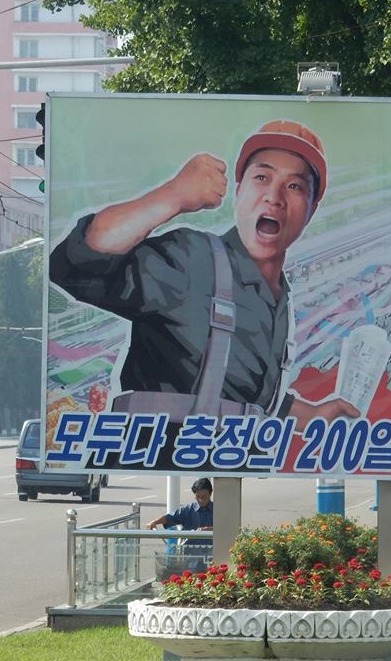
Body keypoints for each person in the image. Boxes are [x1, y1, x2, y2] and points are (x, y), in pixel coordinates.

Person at [49, 121, 358, 467]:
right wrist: (173, 195)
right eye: (262, 177)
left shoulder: (280, 296)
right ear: (239, 191)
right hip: (155, 464)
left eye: (295, 186)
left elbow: (239, 391)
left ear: (311, 209)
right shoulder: (192, 259)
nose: (275, 197)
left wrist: (309, 415)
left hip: (227, 463)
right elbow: (78, 264)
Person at [147, 478, 214, 571]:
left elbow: (226, 527)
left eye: (204, 497)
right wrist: (154, 522)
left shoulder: (217, 509)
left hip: (212, 555)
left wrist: (209, 530)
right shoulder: (188, 510)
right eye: (198, 497)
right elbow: (169, 518)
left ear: (210, 493)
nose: (201, 500)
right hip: (191, 558)